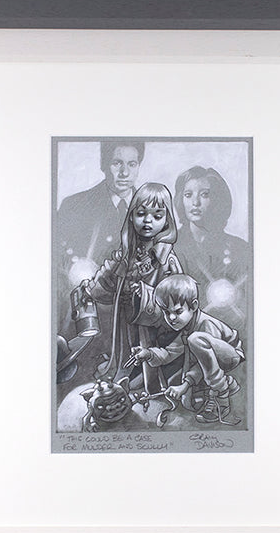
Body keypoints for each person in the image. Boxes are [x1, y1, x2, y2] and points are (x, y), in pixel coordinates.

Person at [81, 182, 183, 390]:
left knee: (147, 365)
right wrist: (91, 287)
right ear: (131, 216)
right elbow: (108, 280)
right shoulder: (127, 252)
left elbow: (178, 296)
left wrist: (145, 295)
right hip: (125, 321)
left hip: (152, 326)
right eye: (141, 213)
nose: (147, 220)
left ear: (167, 221)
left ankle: (148, 384)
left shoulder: (166, 259)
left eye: (157, 216)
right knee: (125, 356)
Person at [56, 140, 145, 334]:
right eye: (117, 163)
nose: (124, 172)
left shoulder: (154, 209)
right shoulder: (74, 207)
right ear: (103, 165)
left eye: (132, 164)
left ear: (139, 166)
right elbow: (56, 268)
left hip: (136, 322)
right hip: (87, 322)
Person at [130, 274, 244, 423]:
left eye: (178, 311)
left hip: (230, 356)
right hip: (212, 361)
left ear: (194, 306)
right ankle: (228, 383)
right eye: (167, 312)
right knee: (185, 400)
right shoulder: (187, 329)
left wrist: (185, 384)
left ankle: (221, 397)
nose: (171, 318)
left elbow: (206, 363)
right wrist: (148, 354)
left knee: (194, 340)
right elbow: (170, 353)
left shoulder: (206, 325)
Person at [173, 166, 249, 329]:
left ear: (217, 200)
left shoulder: (240, 249)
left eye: (204, 195)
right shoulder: (168, 247)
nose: (195, 203)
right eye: (188, 195)